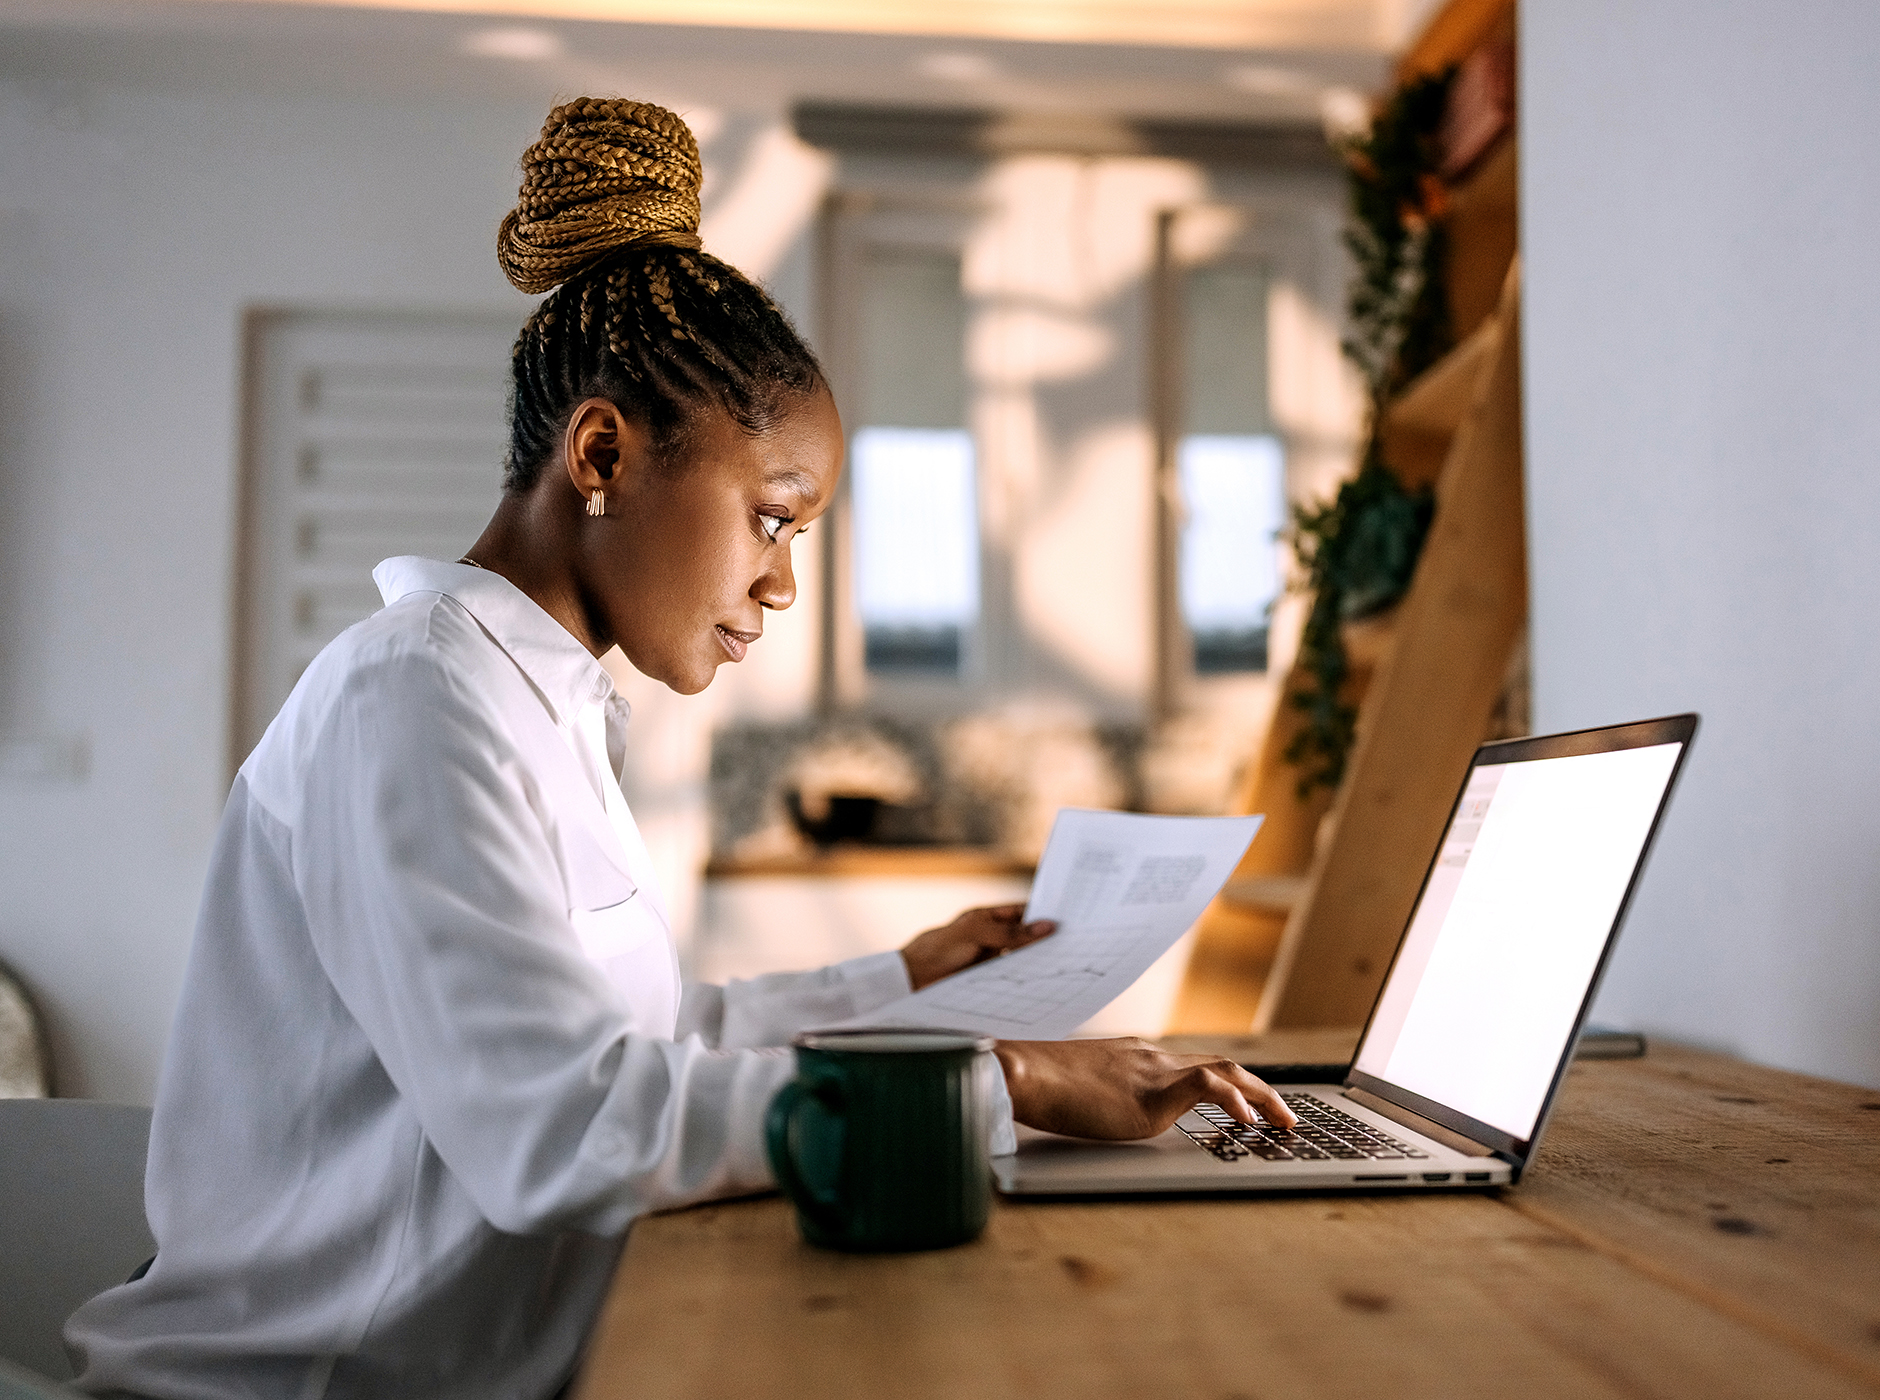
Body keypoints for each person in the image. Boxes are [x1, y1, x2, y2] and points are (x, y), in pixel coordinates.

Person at [66, 98, 1289, 1400]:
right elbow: (560, 1128)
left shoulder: (536, 703)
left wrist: (903, 980)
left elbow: (642, 1037)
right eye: (771, 518)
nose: (781, 586)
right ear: (602, 453)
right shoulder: (411, 703)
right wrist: (1008, 1082)